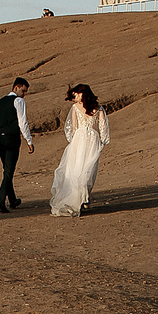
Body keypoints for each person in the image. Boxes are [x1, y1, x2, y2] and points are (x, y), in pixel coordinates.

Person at [48, 83, 110, 217]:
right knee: (87, 170)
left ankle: (82, 198)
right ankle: (83, 199)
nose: (75, 98)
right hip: (91, 139)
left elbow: (72, 128)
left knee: (80, 169)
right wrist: (102, 140)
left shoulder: (81, 108)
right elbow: (103, 127)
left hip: (81, 139)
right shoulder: (95, 108)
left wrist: (73, 141)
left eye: (76, 94)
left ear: (83, 94)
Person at [0, 77, 32, 213]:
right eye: (23, 91)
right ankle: (1, 201)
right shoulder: (18, 101)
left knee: (7, 170)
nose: (24, 94)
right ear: (16, 87)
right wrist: (29, 140)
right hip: (12, 139)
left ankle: (12, 200)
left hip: (0, 140)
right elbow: (23, 122)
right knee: (9, 172)